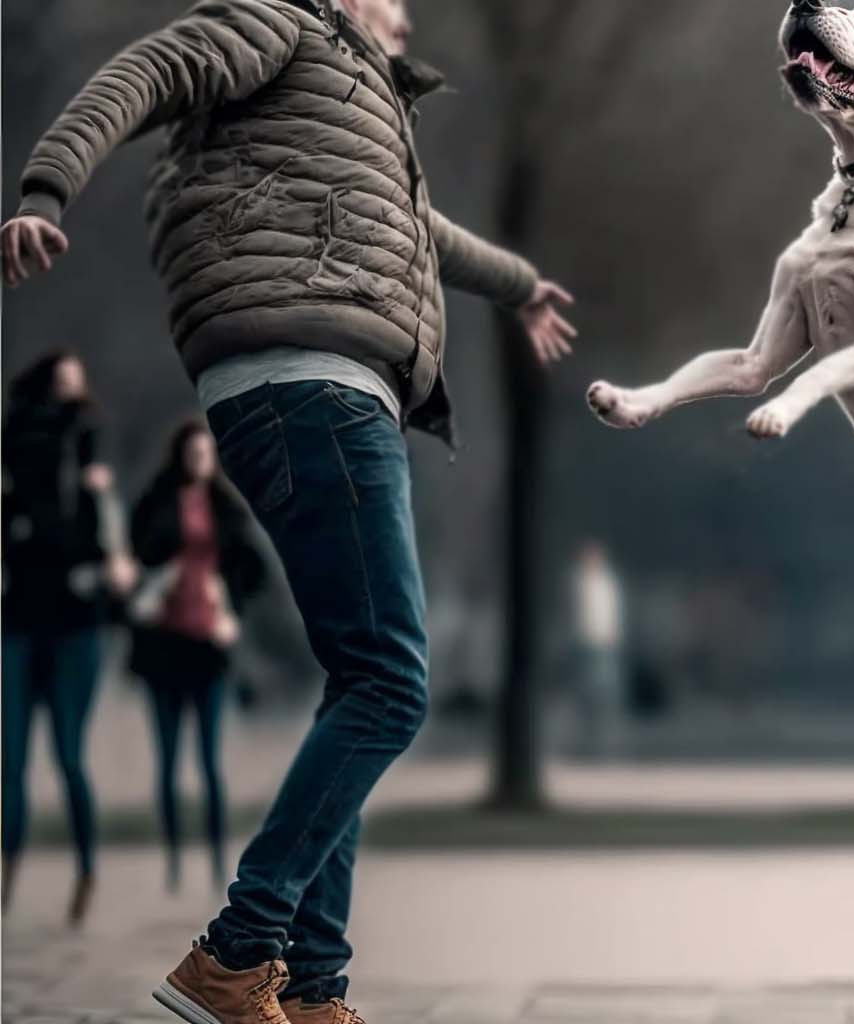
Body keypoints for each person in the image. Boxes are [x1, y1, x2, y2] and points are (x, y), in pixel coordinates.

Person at [2, 0, 577, 1020]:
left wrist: (524, 285)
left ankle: (312, 992)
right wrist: (46, 188)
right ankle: (239, 947)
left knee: (358, 682)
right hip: (312, 385)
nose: (405, 18)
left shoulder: (351, 111)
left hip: (308, 393)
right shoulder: (280, 25)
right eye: (390, 1)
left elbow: (423, 232)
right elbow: (142, 74)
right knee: (393, 683)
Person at [1, 351, 136, 926]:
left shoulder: (92, 463)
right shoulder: (14, 459)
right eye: (64, 384)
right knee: (11, 759)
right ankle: (9, 874)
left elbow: (117, 551)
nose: (71, 396)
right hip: (18, 619)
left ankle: (85, 871)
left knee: (68, 756)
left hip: (75, 622)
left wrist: (114, 567)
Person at [129, 422, 268, 896]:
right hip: (164, 645)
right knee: (168, 762)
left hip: (209, 643)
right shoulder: (155, 503)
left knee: (209, 761)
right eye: (192, 453)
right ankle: (173, 862)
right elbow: (136, 555)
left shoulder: (226, 509)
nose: (199, 461)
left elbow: (254, 569)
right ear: (180, 456)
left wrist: (228, 597)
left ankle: (214, 862)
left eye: (206, 454)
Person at [570, 541, 627, 757]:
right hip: (587, 641)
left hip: (606, 641)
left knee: (607, 686)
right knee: (587, 688)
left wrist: (613, 634)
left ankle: (607, 730)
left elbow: (612, 610)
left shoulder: (606, 581)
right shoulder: (580, 581)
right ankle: (588, 732)